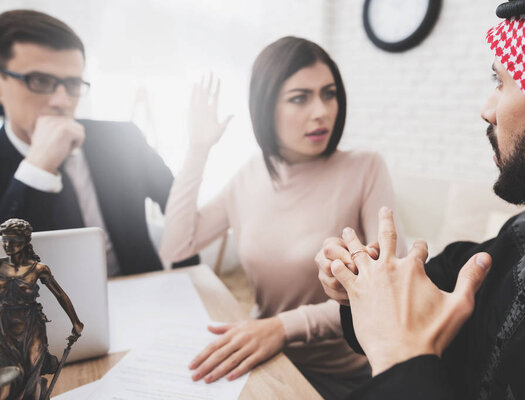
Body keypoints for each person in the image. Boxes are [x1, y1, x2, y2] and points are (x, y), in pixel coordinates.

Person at [315, 1, 525, 399]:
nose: (487, 111)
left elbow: (409, 352)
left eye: (502, 83)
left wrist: (402, 363)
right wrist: (365, 286)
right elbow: (438, 289)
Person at [160, 37, 406, 399]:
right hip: (265, 357)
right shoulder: (249, 175)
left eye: (329, 93)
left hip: (344, 371)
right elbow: (176, 245)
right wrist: (197, 149)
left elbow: (388, 289)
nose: (321, 111)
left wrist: (282, 327)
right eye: (299, 98)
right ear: (265, 107)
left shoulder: (365, 168)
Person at [0, 9, 197, 277]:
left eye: (72, 84)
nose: (61, 101)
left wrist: (186, 279)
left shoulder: (122, 139)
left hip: (140, 290)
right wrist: (38, 167)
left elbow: (180, 209)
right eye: (40, 81)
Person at [0, 218, 83, 400]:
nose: (7, 244)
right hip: (4, 330)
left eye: (13, 240)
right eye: (4, 239)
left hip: (31, 328)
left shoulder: (38, 269)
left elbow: (60, 295)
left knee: (31, 372)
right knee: (10, 378)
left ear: (25, 241)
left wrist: (76, 322)